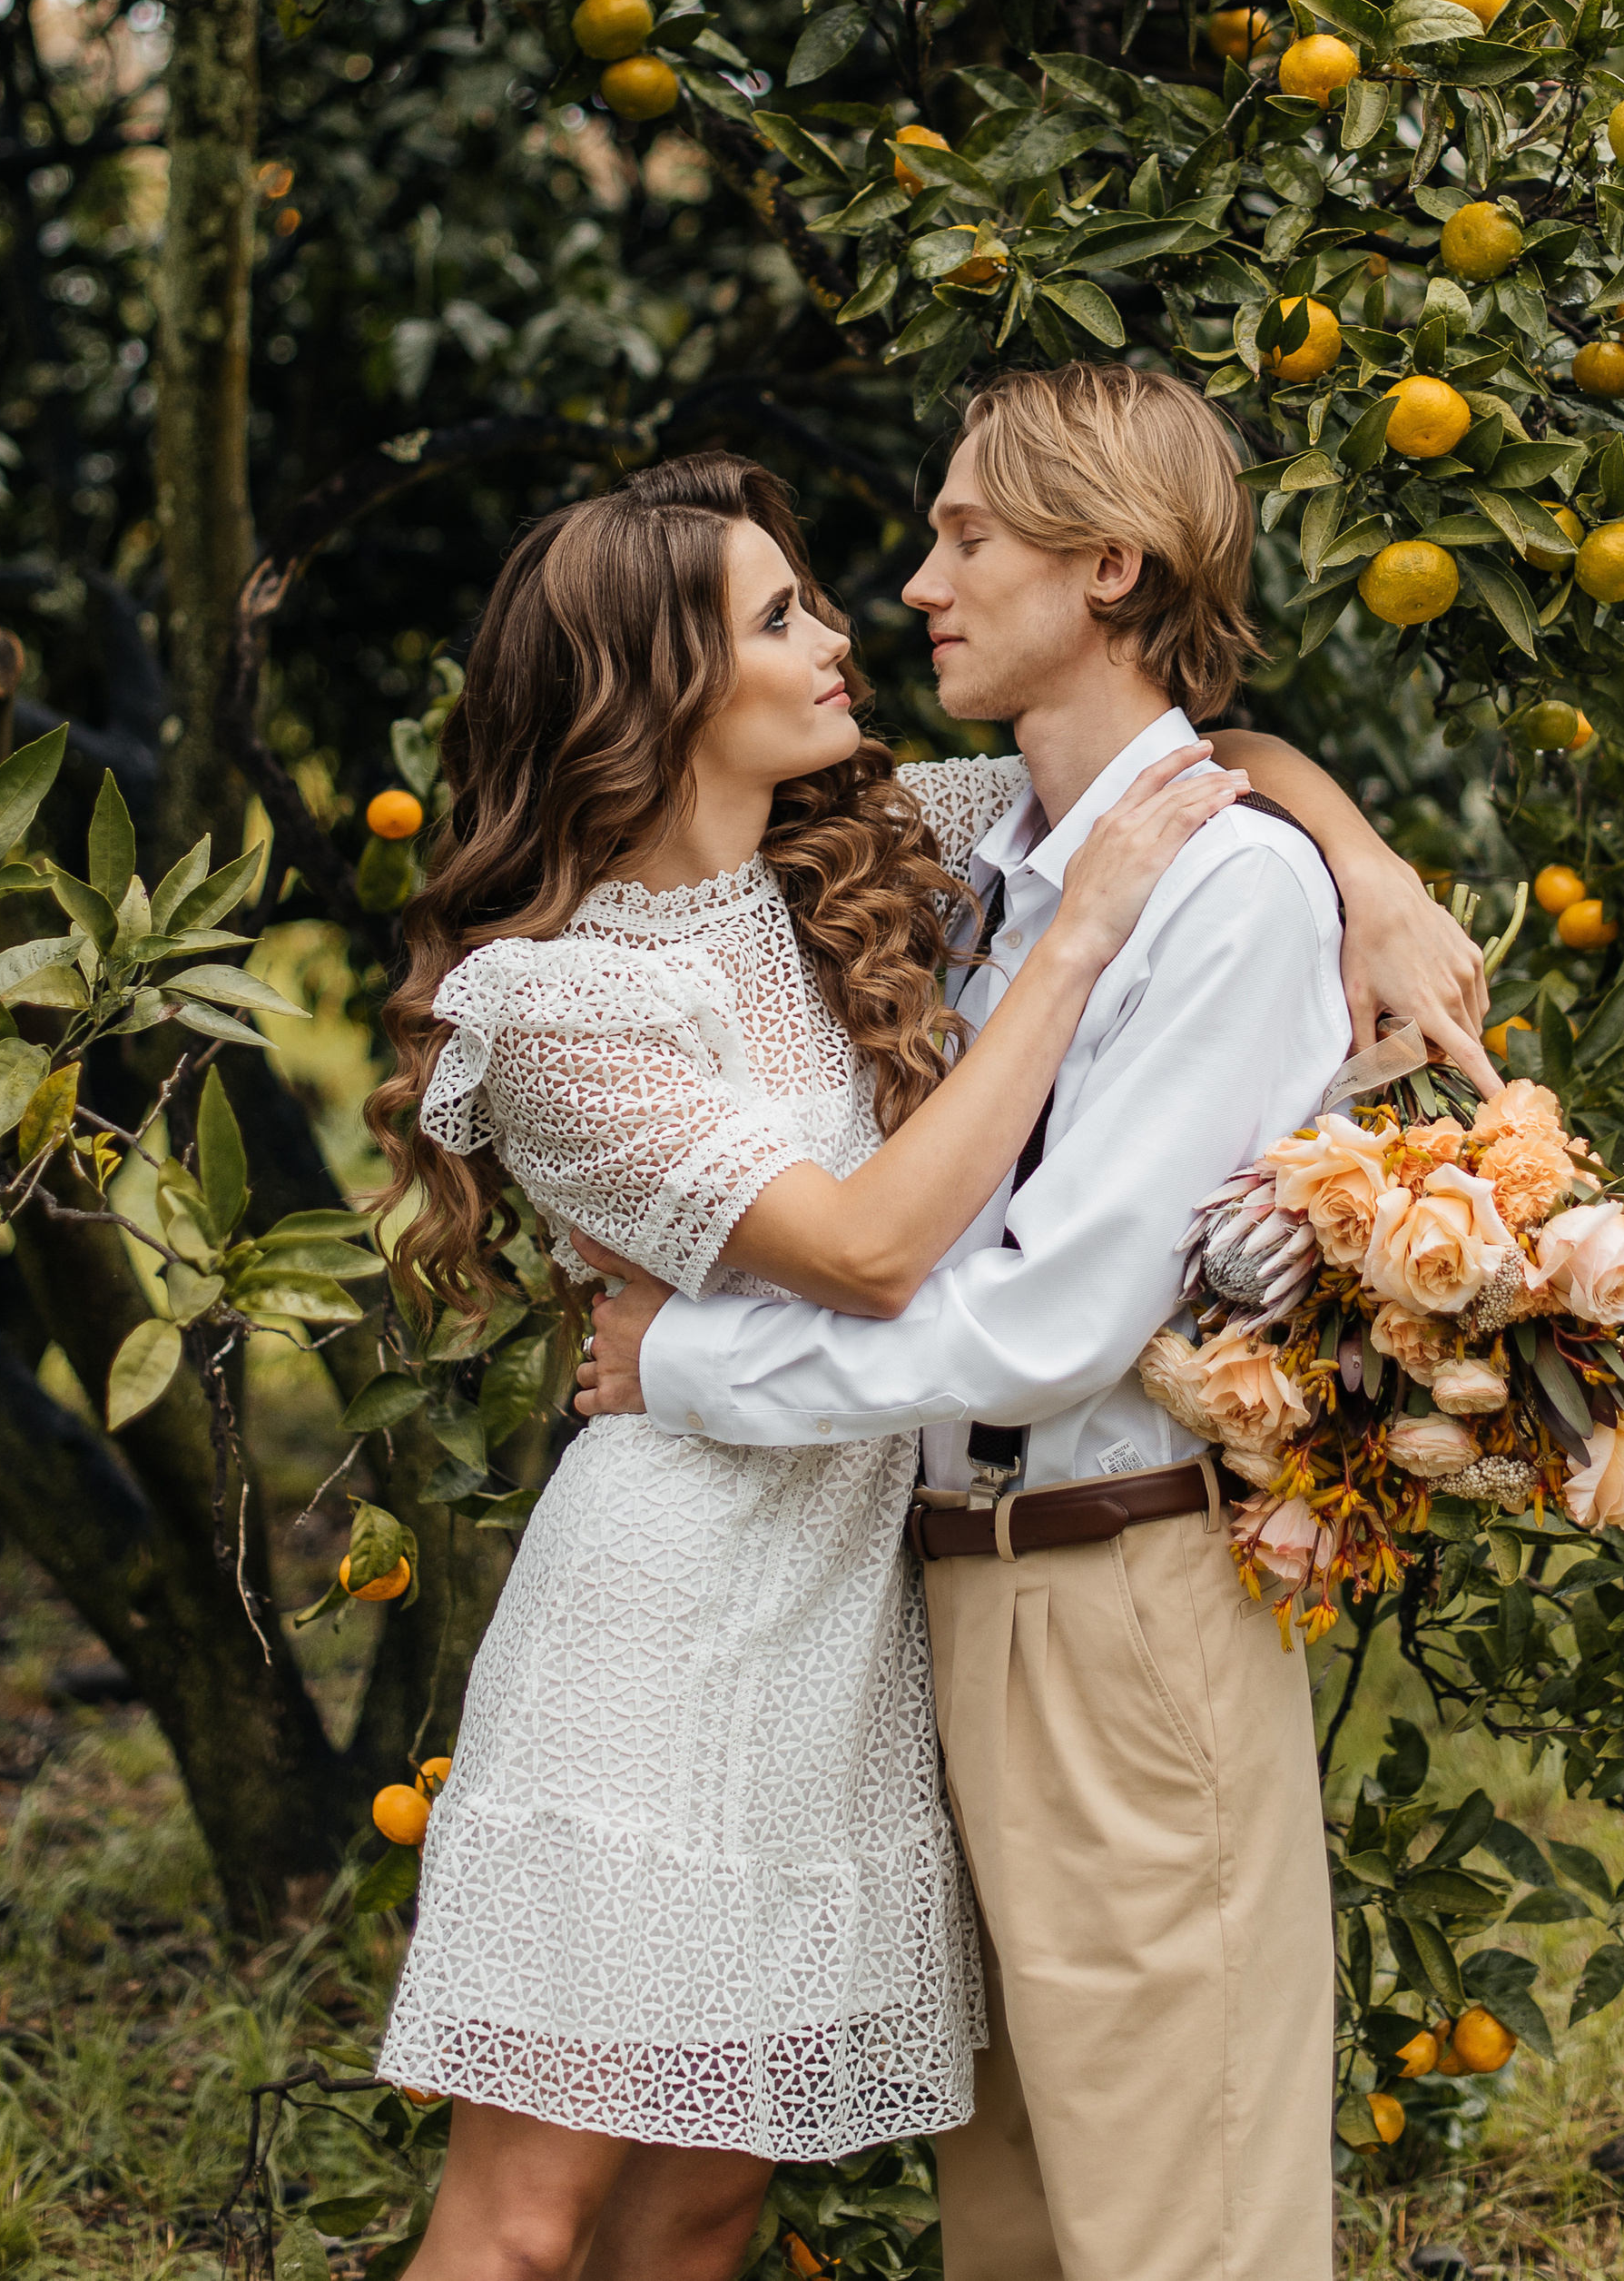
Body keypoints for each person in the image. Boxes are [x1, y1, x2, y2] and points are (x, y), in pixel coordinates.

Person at [577, 366, 1492, 2281]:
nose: (913, 581)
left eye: (965, 534)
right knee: (1015, 2218)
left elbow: (1045, 1321)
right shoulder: (990, 862)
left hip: (1114, 1600)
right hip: (948, 1593)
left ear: (1107, 566)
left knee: (1183, 2214)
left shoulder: (1220, 890)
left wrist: (684, 1367)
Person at [367, 447, 1256, 2281]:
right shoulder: (554, 1006)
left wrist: (1377, 876)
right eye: (782, 616)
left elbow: (1176, 762)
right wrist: (1073, 942)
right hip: (659, 1628)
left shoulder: (855, 850)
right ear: (664, 688)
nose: (844, 631)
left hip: (836, 1638)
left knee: (707, 2201)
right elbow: (866, 1254)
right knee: (529, 2220)